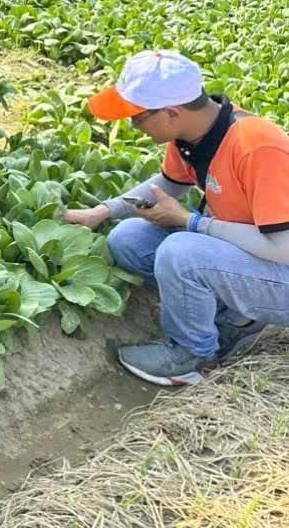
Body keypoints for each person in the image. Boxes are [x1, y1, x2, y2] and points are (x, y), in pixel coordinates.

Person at [65, 50, 289, 386]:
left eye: (137, 118)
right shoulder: (191, 136)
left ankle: (193, 357)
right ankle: (234, 319)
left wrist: (191, 222)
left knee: (181, 252)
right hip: (250, 256)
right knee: (128, 239)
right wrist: (102, 212)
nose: (132, 126)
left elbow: (283, 248)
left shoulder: (256, 145)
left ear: (171, 113)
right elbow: (168, 184)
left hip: (281, 270)